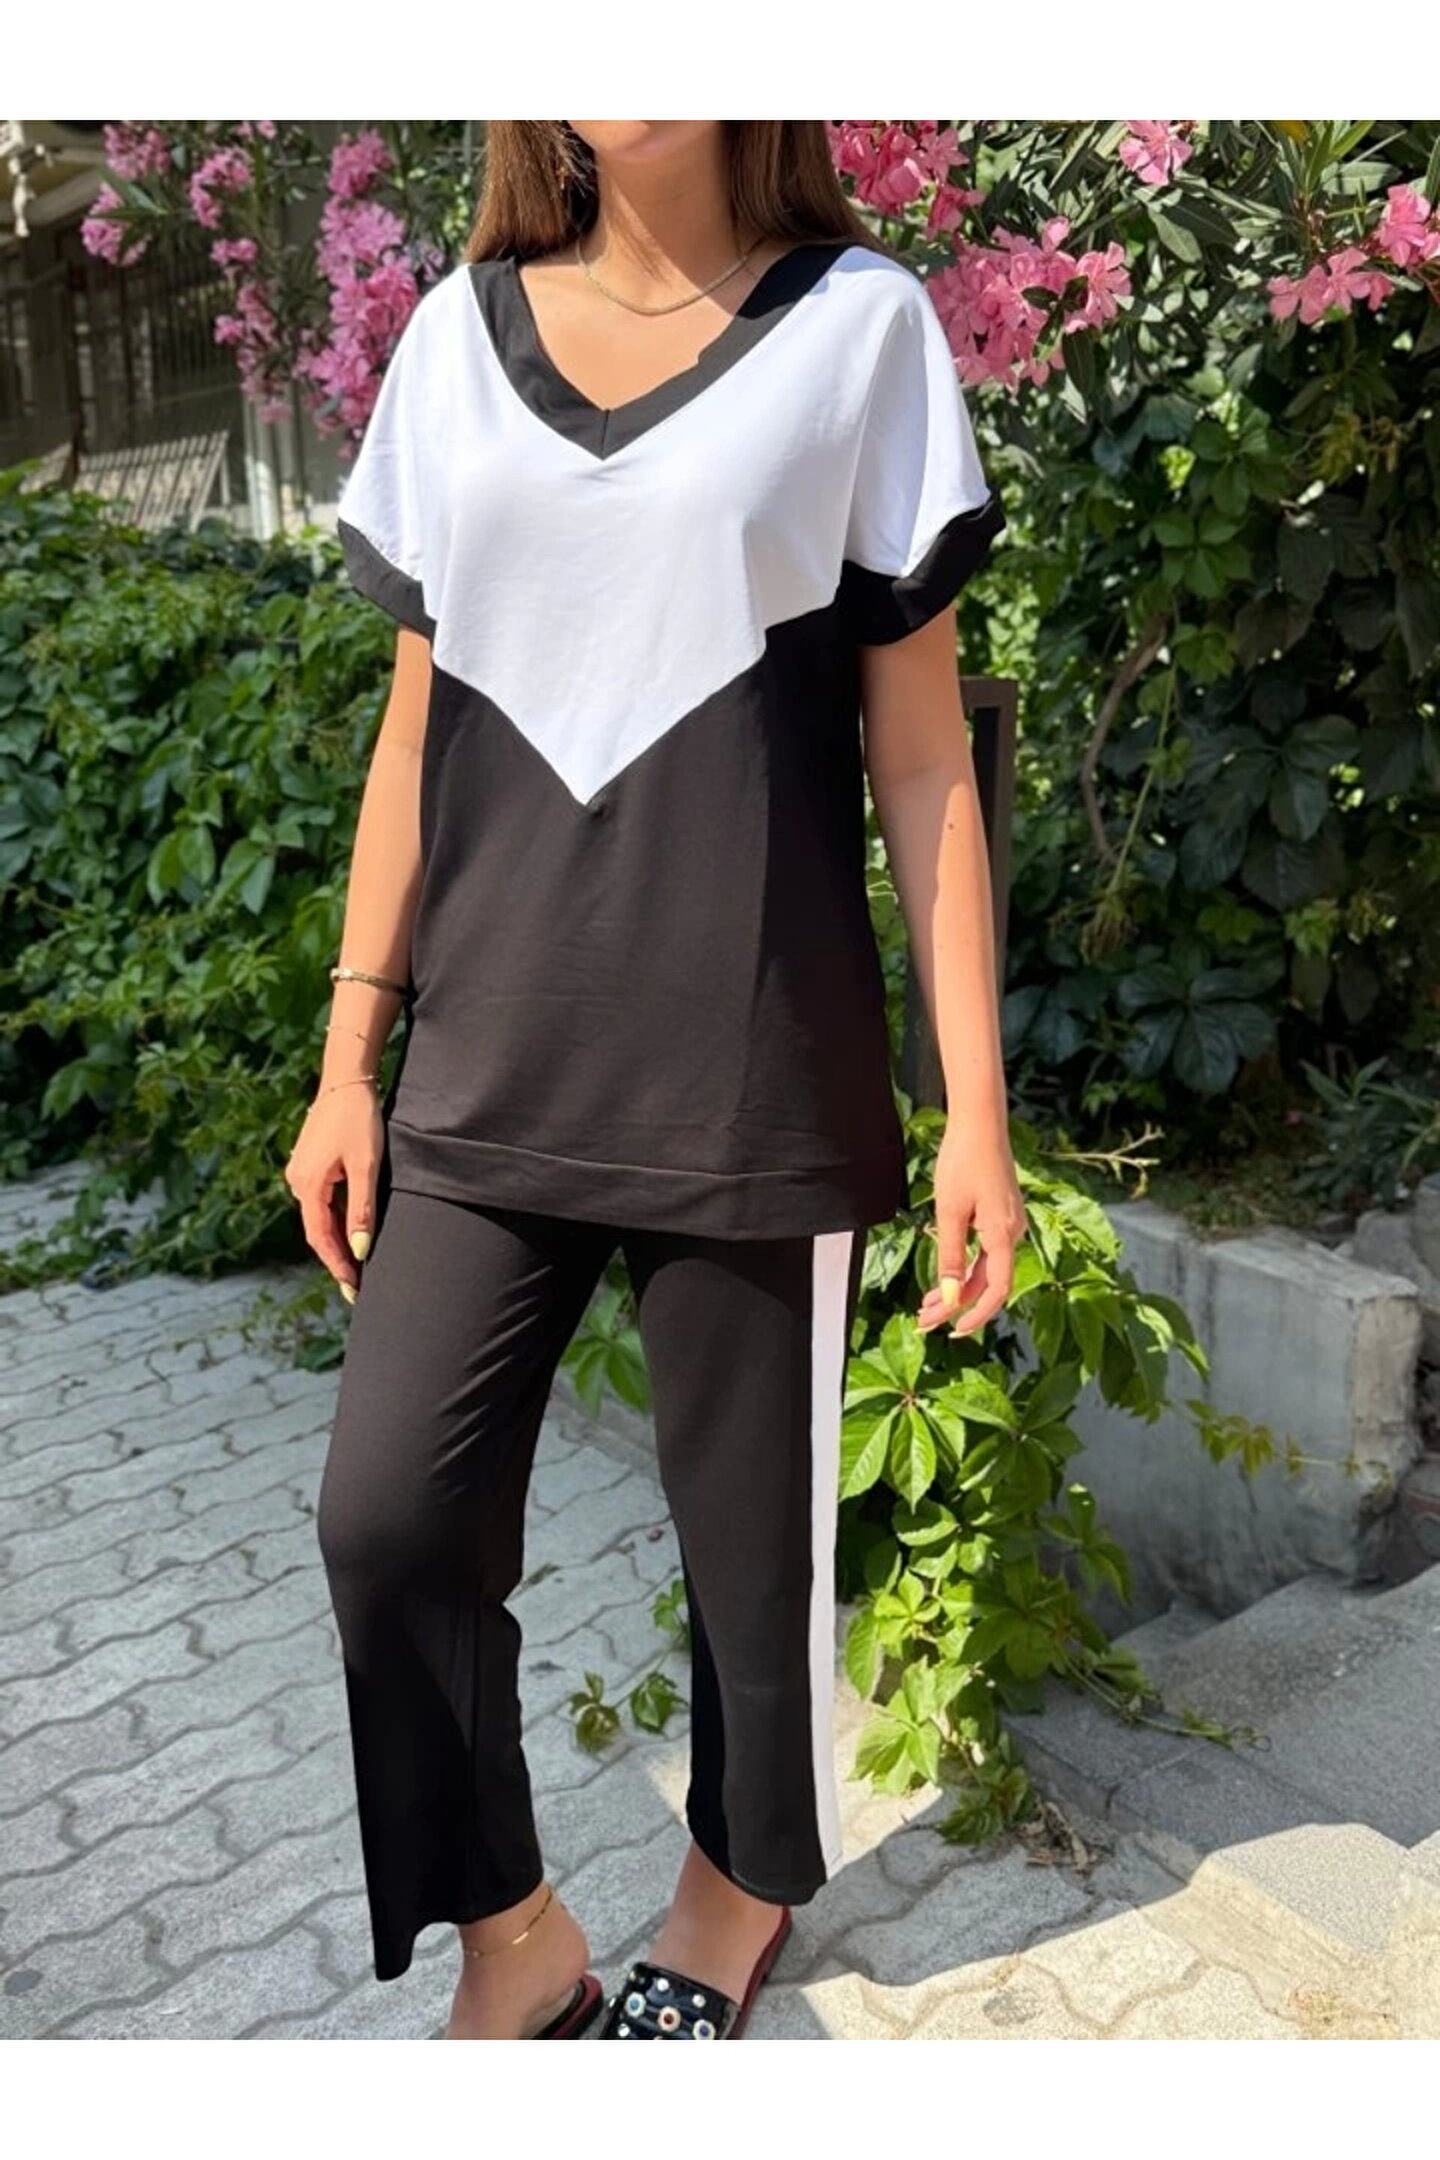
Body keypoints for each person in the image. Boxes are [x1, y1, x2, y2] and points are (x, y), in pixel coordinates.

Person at [283, 120, 1025, 2042]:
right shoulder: (455, 338)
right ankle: (514, 1935)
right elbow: (413, 731)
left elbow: (923, 755)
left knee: (751, 1566)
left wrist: (977, 1113)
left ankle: (730, 1898)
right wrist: (351, 1055)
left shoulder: (863, 330)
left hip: (751, 1068)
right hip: (486, 1067)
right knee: (387, 1522)